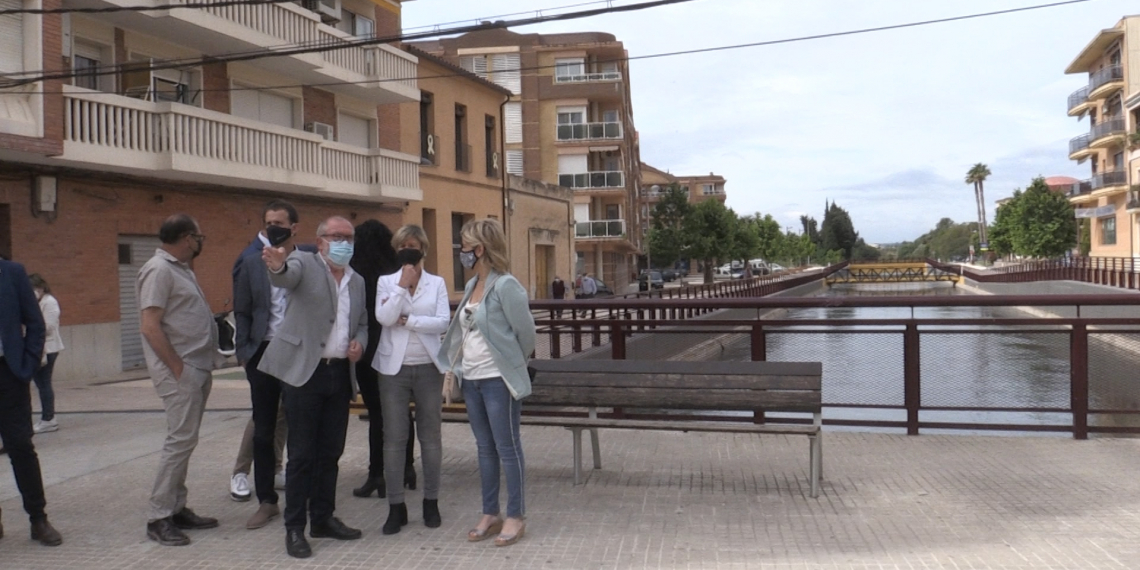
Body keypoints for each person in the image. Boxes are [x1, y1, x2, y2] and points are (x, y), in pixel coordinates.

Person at [259, 215, 368, 559]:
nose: (343, 243)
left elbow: (362, 322)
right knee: (302, 455)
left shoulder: (357, 280)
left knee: (330, 453)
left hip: (338, 375)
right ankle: (294, 528)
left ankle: (322, 517)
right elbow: (284, 276)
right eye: (336, 236)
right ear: (320, 241)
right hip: (305, 373)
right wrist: (276, 265)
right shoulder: (304, 262)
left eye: (348, 237)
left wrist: (360, 343)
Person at [439, 219, 536, 548]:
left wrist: (510, 364)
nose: (461, 252)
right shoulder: (471, 286)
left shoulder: (506, 286)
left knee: (507, 448)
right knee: (484, 449)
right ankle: (490, 512)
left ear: (480, 249)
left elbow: (526, 335)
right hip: (472, 379)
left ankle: (516, 514)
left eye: (465, 246)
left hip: (498, 381)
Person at [137, 214, 220, 546]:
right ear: (187, 238)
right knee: (179, 442)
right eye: (200, 237)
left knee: (185, 441)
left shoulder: (179, 269)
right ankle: (158, 516)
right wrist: (177, 368)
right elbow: (149, 325)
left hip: (196, 366)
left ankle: (176, 507)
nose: (201, 242)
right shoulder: (158, 271)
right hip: (181, 370)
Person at [231, 200, 308, 529]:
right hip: (262, 351)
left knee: (300, 426)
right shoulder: (250, 263)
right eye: (267, 222)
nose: (272, 227)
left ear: (294, 227)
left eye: (279, 222)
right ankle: (266, 500)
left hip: (299, 352)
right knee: (263, 430)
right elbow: (243, 310)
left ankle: (304, 496)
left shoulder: (309, 261)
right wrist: (245, 352)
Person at [372, 225, 450, 535]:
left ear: (423, 249)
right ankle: (396, 506)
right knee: (394, 438)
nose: (408, 248)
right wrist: (402, 286)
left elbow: (442, 321)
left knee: (430, 437)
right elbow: (384, 318)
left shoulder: (437, 283)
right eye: (403, 244)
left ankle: (431, 501)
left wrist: (410, 321)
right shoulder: (386, 282)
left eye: (414, 244)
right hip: (394, 368)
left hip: (429, 367)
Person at [349, 220, 416, 501]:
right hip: (395, 346)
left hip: (368, 348)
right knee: (400, 411)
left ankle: (377, 472)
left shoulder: (356, 273)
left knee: (377, 413)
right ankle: (407, 468)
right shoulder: (397, 271)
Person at [0, 258, 63, 546]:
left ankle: (38, 518)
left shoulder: (11, 273)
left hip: (8, 373)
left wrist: (26, 364)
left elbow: (35, 324)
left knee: (21, 446)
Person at [28, 274, 64, 434]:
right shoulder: (38, 302)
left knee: (44, 383)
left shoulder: (49, 302)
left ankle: (48, 418)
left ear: (41, 288)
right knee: (41, 384)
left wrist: (32, 326)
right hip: (39, 347)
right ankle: (47, 417)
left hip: (48, 348)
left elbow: (49, 326)